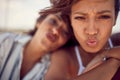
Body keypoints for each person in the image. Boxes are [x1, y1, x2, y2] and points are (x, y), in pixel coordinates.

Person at [44, 0, 120, 80]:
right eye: (80, 17)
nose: (92, 31)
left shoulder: (118, 41)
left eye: (104, 17)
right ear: (70, 20)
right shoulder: (64, 58)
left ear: (115, 17)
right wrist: (112, 64)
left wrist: (105, 53)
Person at [0, 7, 73, 80]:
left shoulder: (53, 69)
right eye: (53, 21)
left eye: (65, 32)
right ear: (39, 22)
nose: (56, 31)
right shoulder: (5, 42)